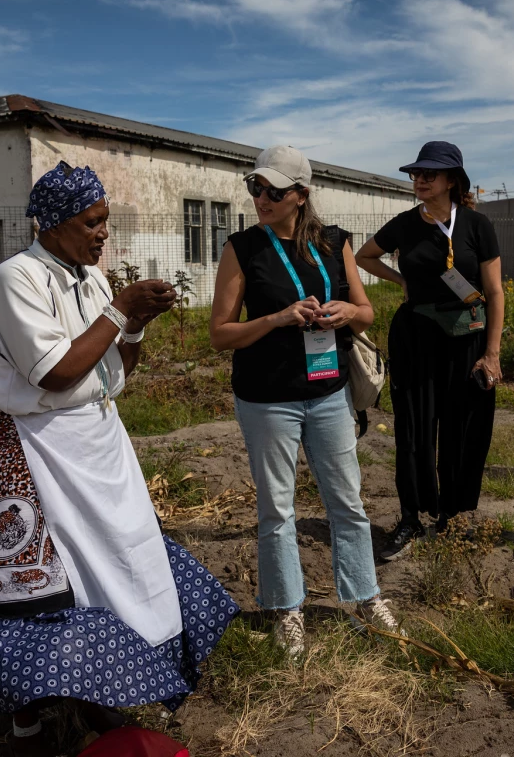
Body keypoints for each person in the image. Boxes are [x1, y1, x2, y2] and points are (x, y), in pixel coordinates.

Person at [0, 162, 238, 755]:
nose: (102, 233)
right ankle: (29, 716)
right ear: (52, 225)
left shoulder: (93, 281)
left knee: (103, 575)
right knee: (36, 592)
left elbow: (112, 377)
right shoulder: (18, 277)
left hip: (96, 447)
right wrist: (119, 309)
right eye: (91, 222)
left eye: (105, 221)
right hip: (29, 453)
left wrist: (132, 328)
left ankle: (93, 699)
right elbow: (54, 372)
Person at [209, 145, 399, 657]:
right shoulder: (243, 247)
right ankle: (286, 610)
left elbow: (367, 313)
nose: (261, 199)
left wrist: (344, 312)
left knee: (348, 503)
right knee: (277, 509)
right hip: (266, 399)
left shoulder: (333, 243)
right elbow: (220, 334)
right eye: (255, 188)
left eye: (273, 191)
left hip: (329, 393)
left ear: (301, 195)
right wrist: (275, 318)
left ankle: (365, 596)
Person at [356, 141, 505, 561]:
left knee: (464, 425)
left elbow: (494, 291)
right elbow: (365, 256)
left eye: (430, 174)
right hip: (416, 336)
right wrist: (401, 282)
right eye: (416, 174)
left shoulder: (478, 225)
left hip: (467, 336)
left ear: (452, 180)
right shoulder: (404, 224)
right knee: (414, 428)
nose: (419, 180)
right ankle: (410, 518)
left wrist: (492, 352)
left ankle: (454, 517)